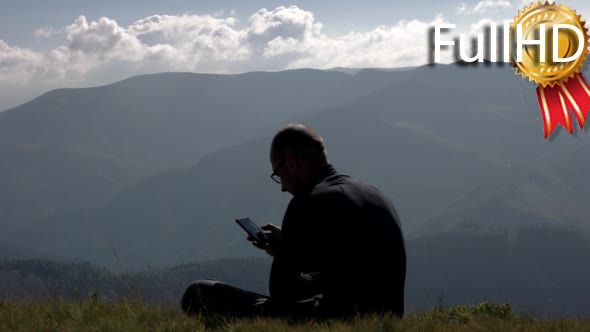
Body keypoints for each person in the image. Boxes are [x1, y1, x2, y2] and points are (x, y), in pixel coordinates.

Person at [181, 124, 406, 318]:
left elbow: (284, 293)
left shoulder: (308, 201)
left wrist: (286, 248)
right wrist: (296, 249)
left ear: (292, 163)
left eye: (278, 175)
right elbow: (350, 270)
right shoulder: (376, 195)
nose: (281, 186)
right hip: (388, 320)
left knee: (200, 291)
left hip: (333, 321)